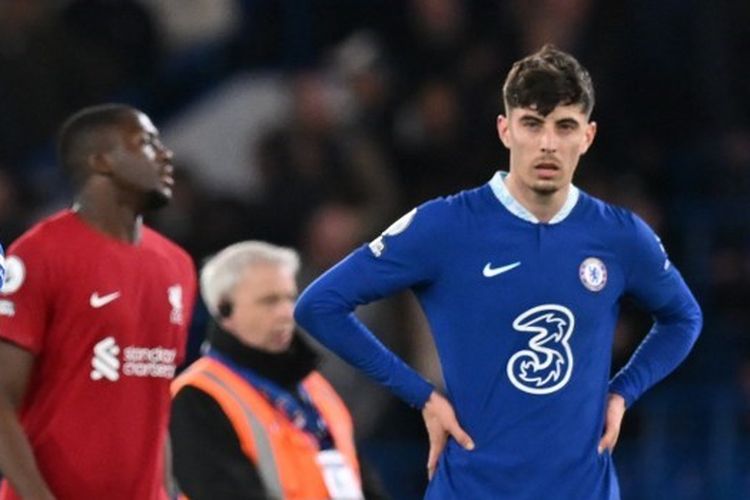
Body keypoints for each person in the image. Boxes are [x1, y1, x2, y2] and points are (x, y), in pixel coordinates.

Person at [294, 44, 703, 499]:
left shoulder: (620, 235)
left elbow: (684, 318)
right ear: (505, 130)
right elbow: (319, 305)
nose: (548, 143)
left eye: (564, 126)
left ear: (587, 136)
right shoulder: (445, 225)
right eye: (532, 124)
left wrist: (624, 392)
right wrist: (421, 396)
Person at [0, 104, 197, 500]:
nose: (165, 153)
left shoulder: (178, 266)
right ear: (101, 161)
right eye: (146, 143)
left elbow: (153, 405)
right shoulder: (38, 256)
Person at [170, 241, 373, 499]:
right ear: (224, 309)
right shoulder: (197, 396)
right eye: (269, 301)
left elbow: (362, 478)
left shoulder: (315, 385)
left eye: (290, 298)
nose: (286, 313)